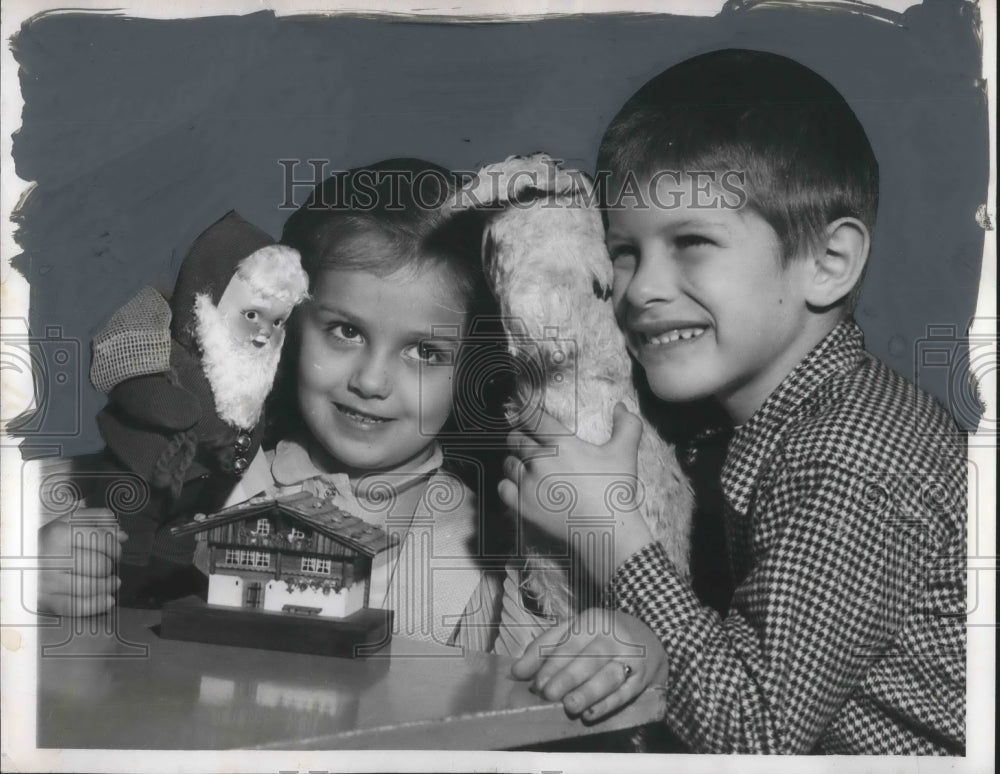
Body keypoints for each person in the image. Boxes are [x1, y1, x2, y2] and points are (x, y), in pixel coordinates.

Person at [501, 49, 966, 754]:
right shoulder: (769, 420)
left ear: (828, 263)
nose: (642, 288)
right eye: (623, 250)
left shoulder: (852, 454)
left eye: (691, 242)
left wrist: (615, 531)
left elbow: (755, 738)